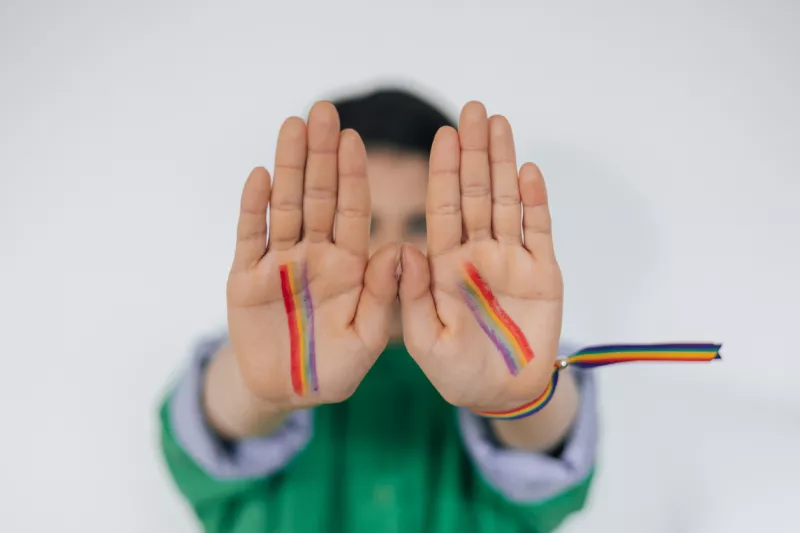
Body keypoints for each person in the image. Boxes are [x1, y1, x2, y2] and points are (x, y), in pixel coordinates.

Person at [159, 88, 598, 533]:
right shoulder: (263, 360)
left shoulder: (498, 355)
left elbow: (548, 450)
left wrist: (518, 399)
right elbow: (208, 429)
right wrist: (260, 393)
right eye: (364, 224)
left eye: (420, 223)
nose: (393, 255)